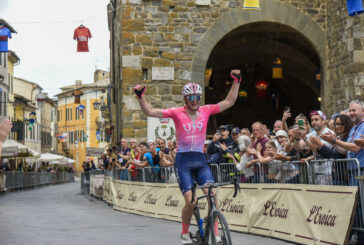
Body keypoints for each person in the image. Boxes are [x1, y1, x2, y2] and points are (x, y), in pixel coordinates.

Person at [134, 69, 241, 244]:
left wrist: (237, 81)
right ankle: (185, 233)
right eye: (191, 98)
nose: (195, 100)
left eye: (197, 97)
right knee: (191, 202)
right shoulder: (177, 112)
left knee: (213, 196)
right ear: (185, 99)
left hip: (200, 159)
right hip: (183, 160)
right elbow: (150, 111)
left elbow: (229, 101)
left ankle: (215, 233)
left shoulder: (206, 110)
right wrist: (140, 96)